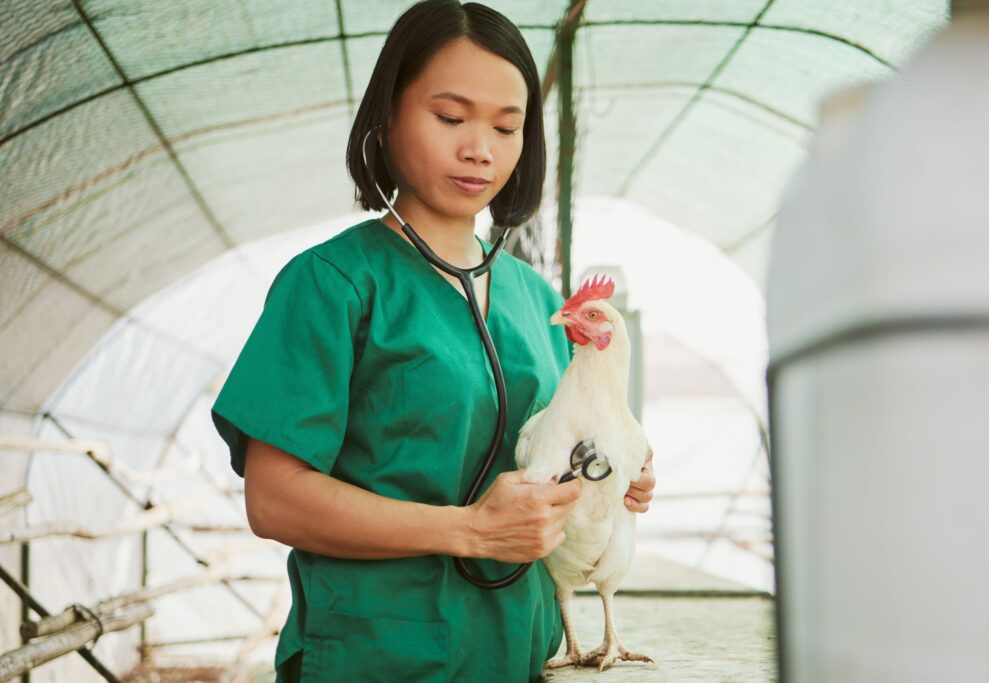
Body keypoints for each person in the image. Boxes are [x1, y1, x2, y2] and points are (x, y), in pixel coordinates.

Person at [210, 1, 655, 681]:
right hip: (377, 658)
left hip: (520, 653)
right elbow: (275, 499)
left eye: (507, 127)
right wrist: (470, 528)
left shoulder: (538, 301)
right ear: (388, 116)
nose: (480, 146)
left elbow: (542, 455)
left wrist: (612, 472)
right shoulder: (330, 284)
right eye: (451, 117)